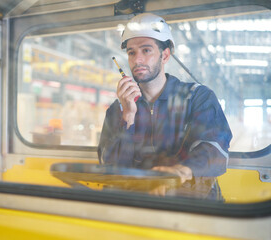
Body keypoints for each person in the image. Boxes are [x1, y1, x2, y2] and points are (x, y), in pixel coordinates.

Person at [97, 13, 233, 199]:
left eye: (146, 50)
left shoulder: (197, 97)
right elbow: (111, 168)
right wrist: (128, 116)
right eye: (131, 52)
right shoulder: (119, 109)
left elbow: (213, 149)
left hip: (193, 207)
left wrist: (181, 171)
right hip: (140, 205)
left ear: (165, 55)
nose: (137, 60)